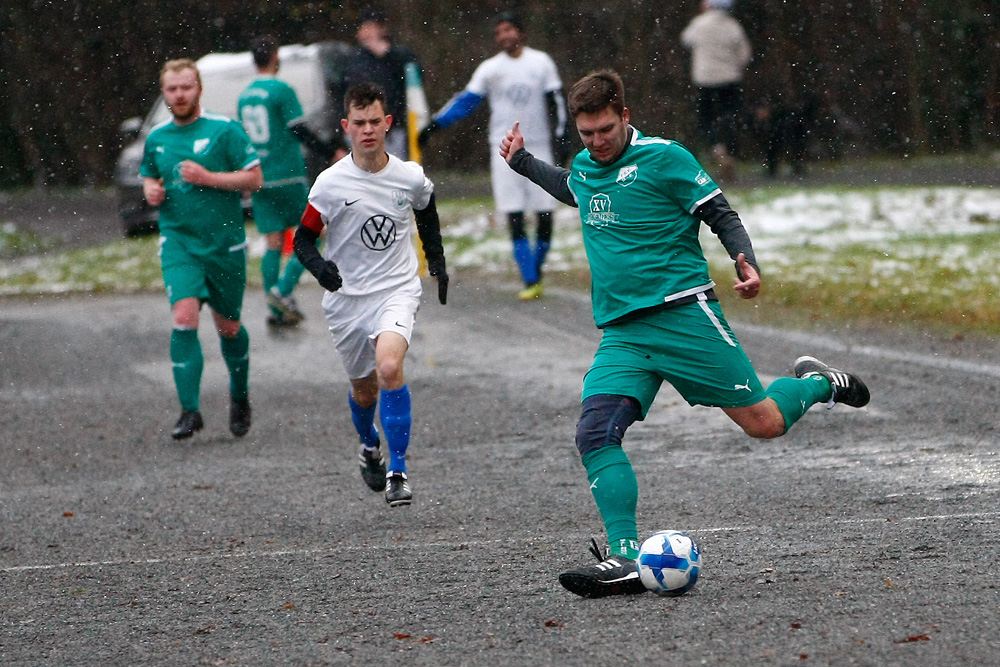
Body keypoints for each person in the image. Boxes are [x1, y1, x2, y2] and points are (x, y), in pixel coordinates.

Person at [499, 70, 870, 598]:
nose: (597, 142)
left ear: (625, 117)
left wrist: (745, 261)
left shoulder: (665, 157)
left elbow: (720, 212)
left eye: (606, 130)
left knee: (764, 423)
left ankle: (818, 383)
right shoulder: (586, 166)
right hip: (624, 333)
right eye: (587, 134)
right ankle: (625, 558)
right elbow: (575, 188)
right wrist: (523, 163)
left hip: (684, 315)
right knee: (595, 432)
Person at [293, 82, 449, 507]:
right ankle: (368, 445)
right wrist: (320, 268)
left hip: (396, 288)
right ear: (346, 127)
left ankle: (398, 470)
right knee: (364, 391)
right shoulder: (329, 183)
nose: (367, 130)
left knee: (389, 367)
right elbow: (302, 240)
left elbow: (426, 209)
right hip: (347, 300)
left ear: (388, 123)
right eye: (358, 123)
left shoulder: (408, 176)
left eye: (374, 122)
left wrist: (436, 260)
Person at [141, 58, 264, 440]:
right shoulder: (157, 138)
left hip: (224, 243)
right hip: (178, 241)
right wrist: (151, 190)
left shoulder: (224, 130)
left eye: (186, 88)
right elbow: (149, 174)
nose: (179, 95)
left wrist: (208, 177)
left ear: (199, 89)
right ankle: (189, 410)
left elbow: (255, 178)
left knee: (228, 328)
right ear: (164, 93)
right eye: (172, 89)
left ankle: (239, 395)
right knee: (183, 317)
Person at [418, 10, 569, 301]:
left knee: (545, 215)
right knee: (514, 214)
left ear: (521, 33)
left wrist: (562, 136)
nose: (504, 36)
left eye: (509, 29)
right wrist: (435, 125)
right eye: (499, 32)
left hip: (538, 146)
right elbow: (466, 101)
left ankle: (535, 271)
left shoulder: (541, 62)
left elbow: (557, 100)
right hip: (504, 149)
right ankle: (530, 279)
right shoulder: (490, 69)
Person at [238, 35, 336, 328]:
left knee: (272, 242)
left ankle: (276, 309)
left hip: (259, 177)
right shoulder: (281, 90)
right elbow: (298, 129)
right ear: (274, 56)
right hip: (287, 175)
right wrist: (329, 150)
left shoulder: (245, 95)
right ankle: (283, 290)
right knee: (313, 234)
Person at [336, 8, 425, 161]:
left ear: (382, 30)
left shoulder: (398, 55)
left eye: (371, 28)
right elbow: (341, 94)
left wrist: (387, 53)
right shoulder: (352, 59)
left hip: (393, 129)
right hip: (358, 128)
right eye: (364, 28)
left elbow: (415, 77)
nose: (367, 33)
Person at [680, 0, 752, 183]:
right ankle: (731, 152)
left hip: (705, 80)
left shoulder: (699, 24)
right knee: (731, 117)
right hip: (729, 80)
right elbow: (745, 54)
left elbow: (686, 39)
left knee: (706, 119)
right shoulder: (733, 27)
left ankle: (717, 149)